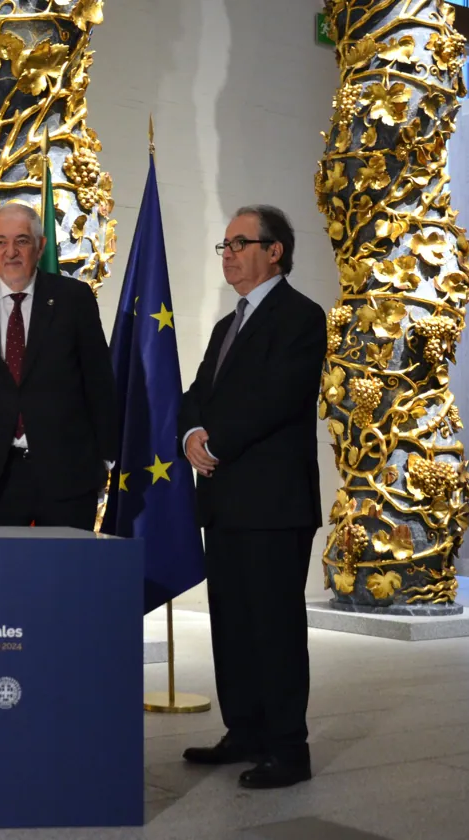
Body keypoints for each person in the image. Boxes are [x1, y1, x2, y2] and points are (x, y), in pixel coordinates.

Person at [178, 205, 326, 789]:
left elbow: (280, 397)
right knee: (233, 625)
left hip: (273, 503)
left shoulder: (301, 316)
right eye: (224, 245)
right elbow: (197, 393)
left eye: (240, 242)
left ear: (275, 251)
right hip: (225, 498)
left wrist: (218, 439)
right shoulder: (226, 325)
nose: (229, 253)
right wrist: (191, 432)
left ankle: (289, 748)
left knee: (275, 628)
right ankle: (245, 731)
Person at [0, 201, 117, 530]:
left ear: (41, 246)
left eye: (22, 240)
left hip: (68, 470)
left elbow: (99, 380)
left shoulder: (74, 299)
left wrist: (104, 456)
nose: (11, 252)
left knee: (66, 576)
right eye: (2, 241)